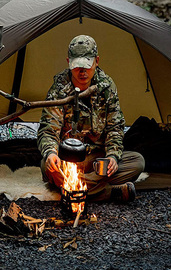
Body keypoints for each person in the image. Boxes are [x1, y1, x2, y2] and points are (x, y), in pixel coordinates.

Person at [37, 35, 145, 202]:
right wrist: (51, 153)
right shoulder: (59, 89)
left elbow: (115, 127)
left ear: (97, 61)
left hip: (97, 159)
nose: (82, 72)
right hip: (68, 158)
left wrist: (112, 157)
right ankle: (109, 192)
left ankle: (74, 187)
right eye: (77, 66)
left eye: (87, 66)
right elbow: (48, 129)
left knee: (137, 162)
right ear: (68, 62)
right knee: (47, 167)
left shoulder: (106, 87)